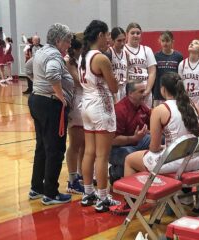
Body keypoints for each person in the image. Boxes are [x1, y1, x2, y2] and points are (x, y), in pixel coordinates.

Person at [125, 72, 199, 176]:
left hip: (176, 162)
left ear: (163, 89)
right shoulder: (192, 105)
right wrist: (166, 146)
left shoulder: (160, 109)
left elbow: (154, 148)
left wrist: (160, 147)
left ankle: (137, 192)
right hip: (198, 158)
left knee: (129, 160)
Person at [28, 23, 74, 205]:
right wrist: (61, 96)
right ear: (58, 40)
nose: (69, 44)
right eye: (67, 40)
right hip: (50, 104)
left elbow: (27, 69)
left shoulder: (40, 52)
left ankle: (36, 187)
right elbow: (53, 73)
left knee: (43, 147)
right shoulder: (54, 54)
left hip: (37, 100)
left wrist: (39, 85)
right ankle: (51, 193)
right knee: (55, 149)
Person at [79, 20, 120, 212]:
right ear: (100, 36)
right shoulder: (101, 58)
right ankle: (103, 197)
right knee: (103, 156)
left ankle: (88, 193)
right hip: (100, 105)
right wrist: (116, 80)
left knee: (89, 152)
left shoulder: (83, 55)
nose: (109, 39)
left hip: (86, 104)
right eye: (108, 35)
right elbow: (113, 87)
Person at [109, 80, 151, 184]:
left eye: (145, 91)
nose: (145, 94)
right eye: (141, 92)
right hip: (117, 149)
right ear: (130, 94)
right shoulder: (119, 110)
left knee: (160, 139)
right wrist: (134, 138)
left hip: (138, 142)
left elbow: (151, 128)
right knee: (131, 155)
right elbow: (112, 140)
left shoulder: (143, 107)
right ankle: (116, 172)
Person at [64, 35, 84, 194]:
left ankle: (80, 174)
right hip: (76, 103)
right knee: (75, 144)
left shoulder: (80, 60)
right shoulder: (68, 61)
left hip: (84, 102)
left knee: (84, 144)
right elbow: (80, 81)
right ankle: (72, 181)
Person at [124, 22, 157, 107]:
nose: (135, 35)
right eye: (132, 33)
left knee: (146, 116)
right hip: (131, 88)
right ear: (127, 34)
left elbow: (152, 71)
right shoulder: (123, 50)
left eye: (138, 33)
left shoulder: (147, 50)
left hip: (145, 88)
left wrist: (148, 90)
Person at [178, 39, 199, 116]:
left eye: (195, 43)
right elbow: (179, 86)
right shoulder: (182, 64)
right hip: (185, 99)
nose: (192, 44)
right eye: (191, 43)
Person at [154, 31, 183, 106]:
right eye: (163, 41)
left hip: (174, 93)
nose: (165, 43)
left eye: (167, 41)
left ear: (172, 41)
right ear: (160, 41)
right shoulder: (156, 56)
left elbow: (180, 76)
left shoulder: (178, 56)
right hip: (159, 93)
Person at [106, 27, 128, 102]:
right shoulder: (109, 52)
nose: (122, 43)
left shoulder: (126, 54)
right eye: (119, 40)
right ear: (112, 40)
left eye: (124, 40)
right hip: (114, 88)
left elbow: (127, 73)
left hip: (124, 88)